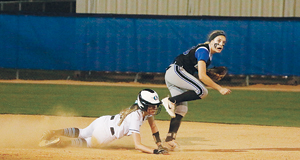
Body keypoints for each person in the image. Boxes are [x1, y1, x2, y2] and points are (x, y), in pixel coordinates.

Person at [39, 89, 168, 155]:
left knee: (82, 132)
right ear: (144, 105)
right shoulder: (136, 117)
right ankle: (59, 143)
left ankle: (52, 132)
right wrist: (155, 151)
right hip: (104, 134)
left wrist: (159, 144)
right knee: (85, 143)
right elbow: (137, 145)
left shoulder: (143, 111)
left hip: (103, 120)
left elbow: (153, 126)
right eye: (152, 106)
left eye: (155, 106)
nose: (155, 108)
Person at [161, 30, 231, 150]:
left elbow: (198, 71)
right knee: (202, 91)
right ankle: (170, 100)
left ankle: (170, 139)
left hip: (175, 75)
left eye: (223, 43)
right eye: (218, 40)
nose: (221, 44)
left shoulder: (206, 53)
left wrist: (208, 73)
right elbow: (202, 76)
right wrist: (220, 88)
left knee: (181, 109)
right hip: (176, 71)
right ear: (211, 40)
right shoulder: (204, 51)